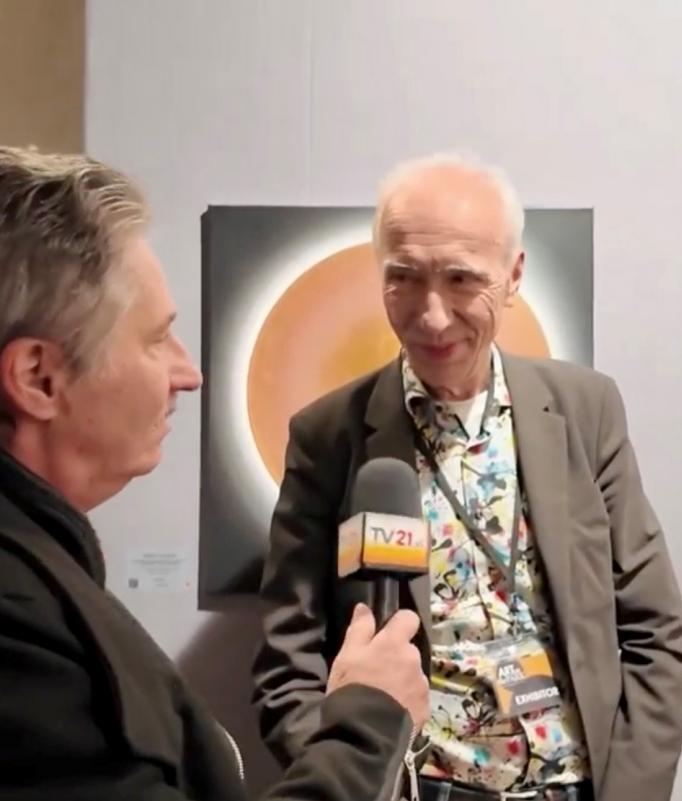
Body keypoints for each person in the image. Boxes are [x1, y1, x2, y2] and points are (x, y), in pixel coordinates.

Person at [253, 153, 682, 801]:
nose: (432, 316)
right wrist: (356, 776)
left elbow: (656, 635)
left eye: (462, 279)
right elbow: (287, 663)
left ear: (512, 277)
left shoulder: (585, 410)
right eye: (405, 278)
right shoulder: (329, 436)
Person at [0, 146, 429, 801]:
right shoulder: (19, 621)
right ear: (39, 378)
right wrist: (369, 722)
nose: (188, 373)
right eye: (155, 339)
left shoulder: (43, 575)